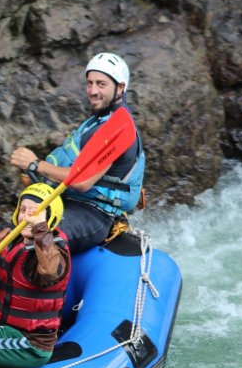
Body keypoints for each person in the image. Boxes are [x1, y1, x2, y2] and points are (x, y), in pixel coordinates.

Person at [10, 52, 145, 253]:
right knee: (11, 233)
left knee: (37, 239)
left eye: (101, 84)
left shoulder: (119, 127)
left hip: (95, 213)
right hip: (69, 201)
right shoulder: (98, 119)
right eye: (90, 83)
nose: (92, 90)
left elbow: (82, 181)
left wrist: (36, 165)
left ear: (120, 87)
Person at [0, 183, 71, 368]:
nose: (27, 216)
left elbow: (49, 270)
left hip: (27, 343)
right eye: (23, 210)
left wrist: (39, 228)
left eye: (35, 212)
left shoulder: (57, 252)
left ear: (49, 218)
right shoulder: (12, 239)